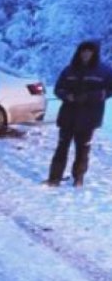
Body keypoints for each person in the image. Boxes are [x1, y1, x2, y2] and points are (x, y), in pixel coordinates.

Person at [47, 41, 112, 187]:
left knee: (82, 150)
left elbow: (108, 91)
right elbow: (58, 89)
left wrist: (92, 97)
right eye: (83, 51)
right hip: (68, 116)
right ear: (79, 52)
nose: (86, 54)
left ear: (94, 53)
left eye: (89, 51)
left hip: (89, 117)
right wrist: (66, 95)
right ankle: (54, 178)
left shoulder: (105, 71)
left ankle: (78, 178)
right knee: (61, 147)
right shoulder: (69, 70)